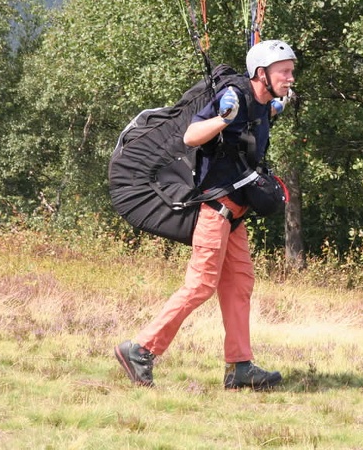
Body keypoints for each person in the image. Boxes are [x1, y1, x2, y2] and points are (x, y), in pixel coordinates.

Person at [114, 39, 297, 390]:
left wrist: (274, 106)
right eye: (284, 72)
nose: (290, 78)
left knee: (239, 285)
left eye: (291, 71)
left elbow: (265, 114)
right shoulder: (232, 97)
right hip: (215, 211)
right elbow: (191, 135)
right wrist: (221, 118)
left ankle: (240, 366)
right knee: (200, 285)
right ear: (262, 74)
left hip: (236, 215)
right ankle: (140, 349)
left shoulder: (263, 103)